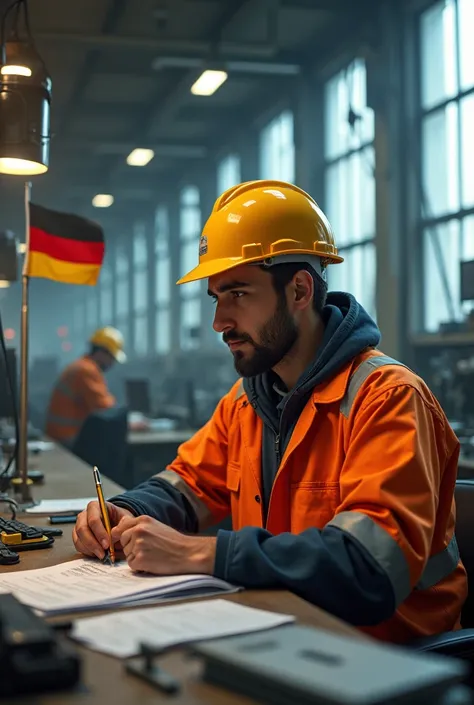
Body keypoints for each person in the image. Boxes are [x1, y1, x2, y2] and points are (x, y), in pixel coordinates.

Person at [73, 180, 467, 643]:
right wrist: (124, 509)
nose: (219, 322)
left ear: (299, 290)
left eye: (238, 293)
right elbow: (188, 485)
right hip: (284, 635)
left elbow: (369, 570)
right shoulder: (247, 400)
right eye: (216, 297)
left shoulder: (387, 398)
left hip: (388, 661)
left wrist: (205, 555)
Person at [46, 326, 125, 447]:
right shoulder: (86, 370)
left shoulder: (82, 366)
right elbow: (106, 410)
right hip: (68, 438)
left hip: (62, 436)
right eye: (111, 358)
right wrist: (129, 421)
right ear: (101, 352)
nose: (112, 363)